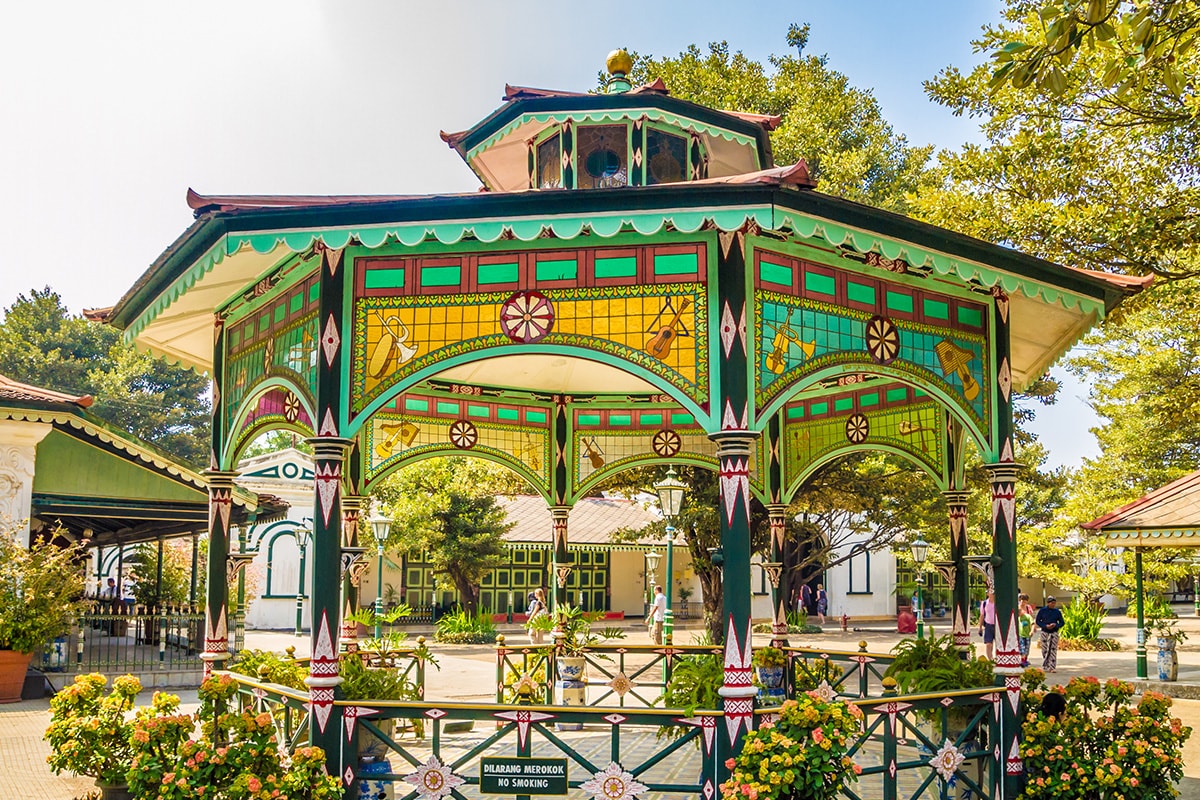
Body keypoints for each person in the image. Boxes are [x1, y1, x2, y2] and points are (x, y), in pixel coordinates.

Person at [1035, 596, 1065, 673]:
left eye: (1054, 603)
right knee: (1044, 649)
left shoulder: (1057, 611)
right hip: (1045, 631)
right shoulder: (1042, 610)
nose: (1053, 604)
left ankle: (1052, 666)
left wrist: (1055, 625)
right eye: (1052, 603)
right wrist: (1045, 626)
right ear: (1048, 603)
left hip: (1054, 632)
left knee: (1053, 650)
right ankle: (1046, 665)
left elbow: (1062, 622)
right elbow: (1038, 621)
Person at [1017, 593, 1036, 668]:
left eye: (1025, 601)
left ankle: (1025, 659)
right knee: (1022, 646)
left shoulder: (1028, 608)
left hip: (1027, 629)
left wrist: (1032, 628)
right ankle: (1022, 659)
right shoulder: (1017, 608)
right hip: (1020, 631)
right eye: (1022, 600)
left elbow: (1031, 618)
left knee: (1027, 646)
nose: (1023, 602)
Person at [979, 589, 997, 660]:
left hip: (997, 626)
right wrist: (980, 627)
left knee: (999, 644)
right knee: (989, 644)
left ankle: (998, 658)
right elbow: (982, 615)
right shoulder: (984, 603)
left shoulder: (998, 603)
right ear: (987, 594)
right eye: (990, 592)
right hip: (988, 625)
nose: (992, 594)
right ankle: (990, 659)